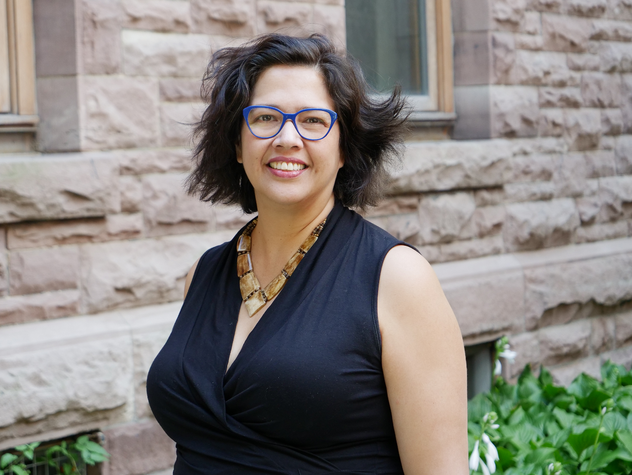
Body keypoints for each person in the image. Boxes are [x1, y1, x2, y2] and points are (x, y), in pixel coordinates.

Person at [146, 33, 468, 474]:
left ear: (344, 149)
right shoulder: (202, 275)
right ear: (238, 144)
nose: (287, 137)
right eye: (264, 118)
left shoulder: (397, 279)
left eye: (314, 121)